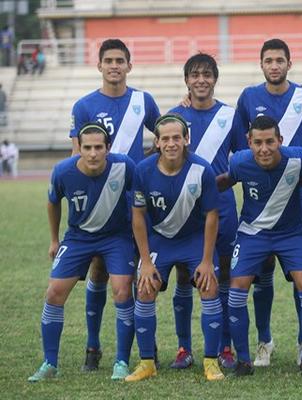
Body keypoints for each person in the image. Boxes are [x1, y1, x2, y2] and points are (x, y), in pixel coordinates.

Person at [69, 38, 161, 372]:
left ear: (129, 65)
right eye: (108, 60)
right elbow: (75, 156)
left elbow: (164, 137)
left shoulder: (143, 101)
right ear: (99, 66)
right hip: (99, 205)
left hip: (135, 202)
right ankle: (93, 346)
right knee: (99, 269)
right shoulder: (84, 106)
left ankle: (144, 349)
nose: (114, 66)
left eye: (120, 60)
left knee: (138, 274)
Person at [28, 123, 137, 382]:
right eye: (87, 147)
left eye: (98, 147)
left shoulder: (125, 167)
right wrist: (54, 239)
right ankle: (49, 364)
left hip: (117, 237)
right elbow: (53, 202)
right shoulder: (63, 171)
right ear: (79, 147)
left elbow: (140, 201)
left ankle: (121, 361)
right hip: (78, 238)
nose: (92, 153)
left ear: (108, 148)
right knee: (54, 292)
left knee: (122, 288)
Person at [235, 38, 302, 367]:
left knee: (301, 275)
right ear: (261, 64)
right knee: (262, 274)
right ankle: (264, 341)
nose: (274, 65)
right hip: (259, 202)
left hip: (296, 196)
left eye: (280, 60)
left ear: (289, 63)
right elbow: (242, 138)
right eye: (268, 60)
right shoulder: (248, 97)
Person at [217, 115, 302, 377]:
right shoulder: (239, 161)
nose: (264, 149)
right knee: (237, 289)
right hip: (253, 233)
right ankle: (244, 361)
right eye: (258, 142)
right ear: (249, 142)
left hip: (291, 233)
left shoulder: (299, 158)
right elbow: (225, 181)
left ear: (280, 141)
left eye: (270, 142)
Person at [126, 113, 224, 382]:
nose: (171, 143)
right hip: (161, 241)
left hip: (194, 240)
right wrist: (145, 261)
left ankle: (211, 361)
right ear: (157, 142)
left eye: (176, 138)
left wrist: (206, 260)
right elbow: (138, 216)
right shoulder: (143, 170)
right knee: (145, 288)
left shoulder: (202, 169)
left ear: (186, 139)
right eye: (165, 138)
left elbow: (212, 217)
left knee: (209, 285)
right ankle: (147, 362)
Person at [168, 53, 247, 370]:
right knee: (185, 276)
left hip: (223, 206)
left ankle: (225, 348)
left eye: (206, 74)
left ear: (215, 79)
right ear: (186, 80)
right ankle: (183, 348)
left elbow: (242, 163)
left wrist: (214, 186)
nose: (201, 80)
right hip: (183, 210)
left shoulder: (230, 115)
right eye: (194, 74)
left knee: (224, 275)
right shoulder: (175, 116)